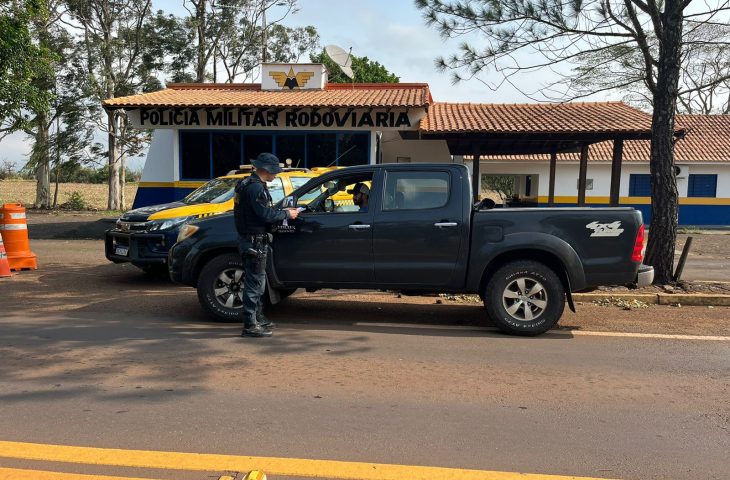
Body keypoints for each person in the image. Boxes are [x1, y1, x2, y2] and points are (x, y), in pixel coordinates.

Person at [234, 152, 299, 338]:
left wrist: (280, 210)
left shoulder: (247, 184)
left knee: (258, 282)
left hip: (251, 239)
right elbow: (265, 216)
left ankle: (258, 318)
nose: (276, 174)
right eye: (274, 171)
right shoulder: (255, 188)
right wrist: (288, 215)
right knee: (254, 284)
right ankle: (250, 325)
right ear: (266, 170)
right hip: (254, 240)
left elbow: (260, 211)